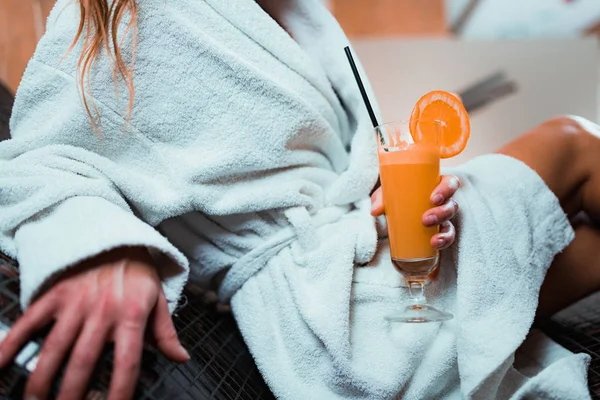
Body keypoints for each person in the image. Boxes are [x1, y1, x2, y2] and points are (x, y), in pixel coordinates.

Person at [0, 0, 597, 399]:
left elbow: (320, 163)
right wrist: (104, 249)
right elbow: (36, 159)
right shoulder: (129, 14)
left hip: (367, 270)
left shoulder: (296, 10)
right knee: (571, 143)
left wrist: (379, 192)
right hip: (329, 318)